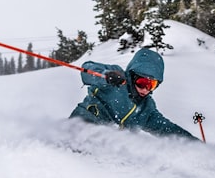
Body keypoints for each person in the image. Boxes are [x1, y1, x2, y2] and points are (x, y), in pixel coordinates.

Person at [70, 48, 198, 140]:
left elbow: (166, 128)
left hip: (104, 145)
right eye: (142, 82)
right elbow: (87, 69)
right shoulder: (117, 77)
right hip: (80, 126)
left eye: (151, 85)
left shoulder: (146, 108)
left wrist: (192, 143)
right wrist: (106, 76)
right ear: (132, 76)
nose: (145, 89)